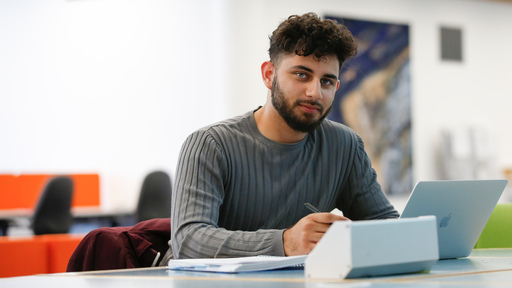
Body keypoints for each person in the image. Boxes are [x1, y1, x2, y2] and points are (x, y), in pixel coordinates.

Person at [163, 12, 399, 262]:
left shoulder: (345, 146)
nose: (314, 92)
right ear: (269, 75)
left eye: (327, 81)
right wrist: (285, 241)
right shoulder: (210, 144)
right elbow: (188, 241)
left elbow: (386, 227)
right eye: (301, 75)